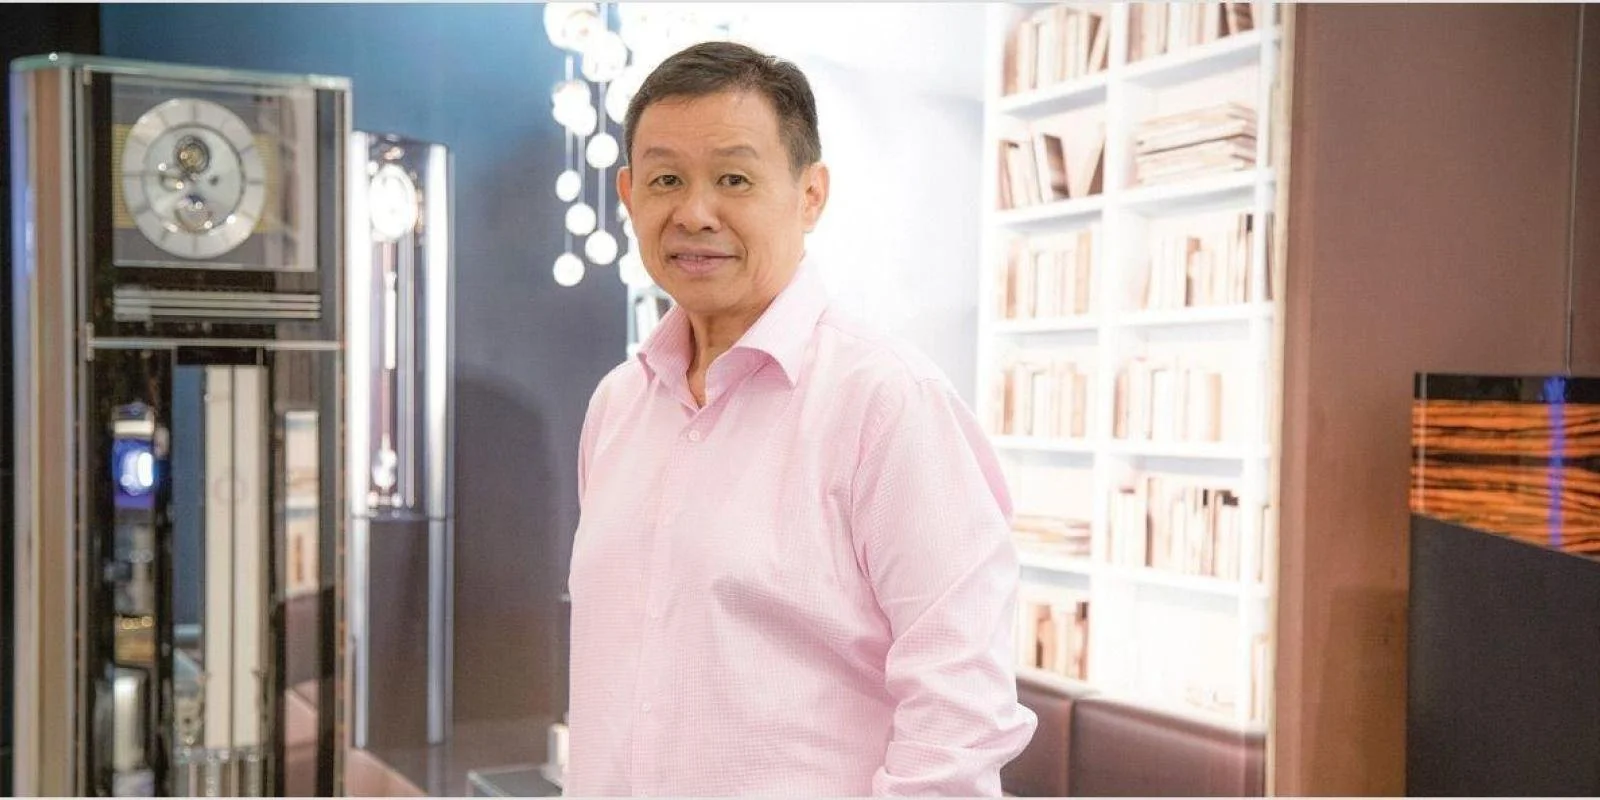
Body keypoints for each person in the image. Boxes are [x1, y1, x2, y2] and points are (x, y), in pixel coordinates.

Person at [566, 40, 1037, 797]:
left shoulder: (886, 403)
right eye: (664, 179)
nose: (694, 211)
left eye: (733, 178)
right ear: (628, 196)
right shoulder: (617, 406)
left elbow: (961, 715)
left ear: (810, 194)